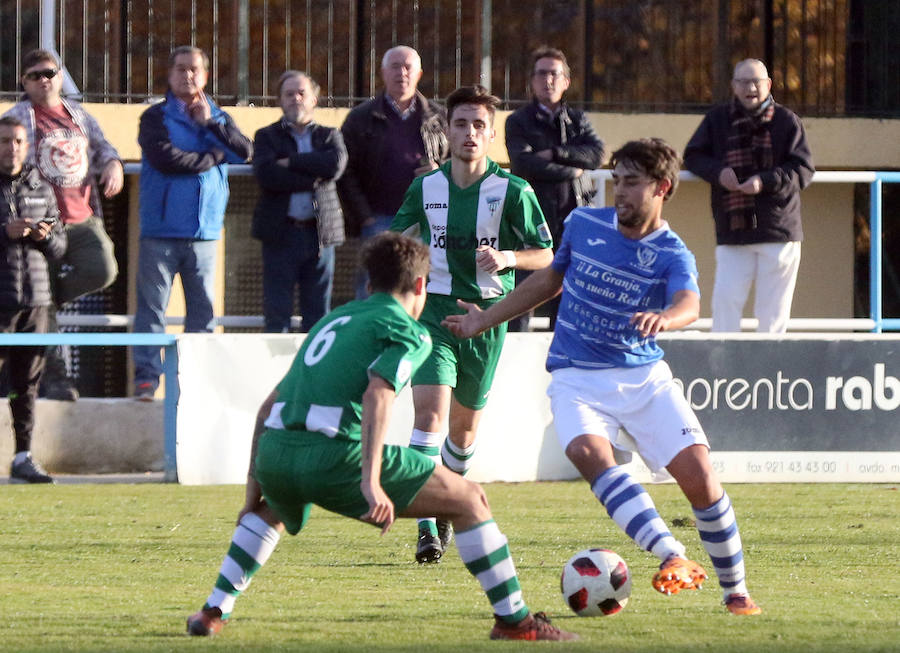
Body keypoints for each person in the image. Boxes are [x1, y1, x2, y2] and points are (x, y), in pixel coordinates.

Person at [185, 231, 576, 642]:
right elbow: (378, 394)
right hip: (333, 456)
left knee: (269, 513)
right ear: (421, 285)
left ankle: (212, 611)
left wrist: (253, 491)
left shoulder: (334, 320)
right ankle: (515, 622)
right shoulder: (409, 330)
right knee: (470, 500)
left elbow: (268, 407)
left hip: (277, 453)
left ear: (369, 283)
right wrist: (370, 483)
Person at [444, 138, 762, 616]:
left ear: (662, 188)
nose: (621, 192)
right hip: (576, 376)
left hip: (643, 378)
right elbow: (549, 279)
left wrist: (667, 318)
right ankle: (671, 554)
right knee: (585, 453)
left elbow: (689, 304)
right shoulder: (583, 223)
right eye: (617, 181)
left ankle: (736, 592)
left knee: (700, 476)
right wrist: (483, 319)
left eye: (632, 183)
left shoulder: (672, 253)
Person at [391, 85, 554, 563]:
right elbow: (397, 241)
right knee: (429, 417)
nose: (469, 133)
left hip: (486, 318)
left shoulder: (514, 191)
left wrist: (508, 257)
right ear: (447, 129)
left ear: (491, 133)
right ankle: (425, 523)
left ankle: (445, 500)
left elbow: (547, 255)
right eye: (460, 123)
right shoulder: (426, 187)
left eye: (479, 125)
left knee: (462, 435)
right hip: (435, 315)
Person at [3, 48, 124, 401]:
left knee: (103, 268)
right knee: (42, 310)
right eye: (35, 75)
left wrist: (114, 164)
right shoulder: (16, 119)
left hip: (82, 216)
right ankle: (54, 380)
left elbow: (104, 147)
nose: (44, 80)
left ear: (59, 76)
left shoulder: (78, 115)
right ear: (24, 82)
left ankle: (48, 300)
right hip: (40, 222)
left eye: (50, 73)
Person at [132, 45, 252, 400]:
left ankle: (197, 383)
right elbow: (167, 159)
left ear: (205, 75)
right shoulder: (154, 117)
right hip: (160, 231)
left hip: (205, 233)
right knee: (152, 310)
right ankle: (146, 379)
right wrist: (213, 156)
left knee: (203, 313)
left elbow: (244, 152)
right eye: (181, 69)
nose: (187, 75)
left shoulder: (219, 116)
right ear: (170, 75)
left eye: (194, 69)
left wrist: (209, 124)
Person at [683, 58, 814, 333]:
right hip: (733, 228)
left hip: (778, 229)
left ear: (769, 85)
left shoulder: (787, 121)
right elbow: (693, 156)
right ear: (733, 86)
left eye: (756, 82)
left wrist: (764, 182)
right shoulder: (717, 119)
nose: (750, 88)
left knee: (773, 314)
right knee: (726, 303)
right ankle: (723, 359)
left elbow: (803, 169)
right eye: (743, 82)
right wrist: (719, 173)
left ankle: (770, 360)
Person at [504, 46, 605, 331]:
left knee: (567, 300)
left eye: (554, 74)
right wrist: (570, 169)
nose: (547, 80)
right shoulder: (518, 121)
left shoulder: (577, 120)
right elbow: (523, 164)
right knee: (522, 298)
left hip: (570, 218)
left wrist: (555, 153)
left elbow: (596, 154)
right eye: (541, 74)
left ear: (566, 81)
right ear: (532, 81)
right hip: (530, 220)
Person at [338, 45, 449, 299]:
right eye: (395, 67)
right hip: (378, 220)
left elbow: (460, 163)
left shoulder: (440, 118)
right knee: (372, 289)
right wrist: (365, 217)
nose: (402, 73)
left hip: (427, 220)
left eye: (408, 67)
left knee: (423, 289)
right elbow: (345, 172)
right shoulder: (360, 118)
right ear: (383, 73)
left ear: (419, 74)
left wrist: (439, 172)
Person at [251, 71, 347, 333]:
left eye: (301, 93)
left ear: (314, 99)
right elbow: (267, 175)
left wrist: (291, 162)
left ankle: (314, 360)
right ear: (280, 101)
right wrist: (315, 177)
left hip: (320, 234)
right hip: (280, 233)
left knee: (318, 314)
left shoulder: (329, 135)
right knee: (277, 313)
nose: (296, 99)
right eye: (289, 94)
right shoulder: (267, 136)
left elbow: (335, 166)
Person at [0, 116, 67, 483]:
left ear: (26, 147)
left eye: (17, 141)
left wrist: (44, 237)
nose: (11, 148)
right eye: (4, 141)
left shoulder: (40, 186)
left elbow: (59, 247)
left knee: (26, 386)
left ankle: (23, 457)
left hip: (35, 302)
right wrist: (4, 232)